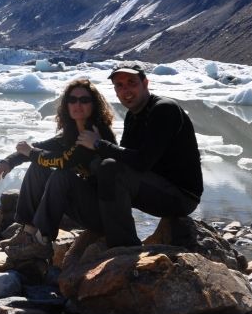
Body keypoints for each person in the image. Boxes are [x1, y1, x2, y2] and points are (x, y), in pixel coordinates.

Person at [76, 62, 203, 248]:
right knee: (99, 169)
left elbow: (142, 162)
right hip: (154, 187)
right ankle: (101, 228)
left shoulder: (164, 109)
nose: (126, 89)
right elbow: (125, 158)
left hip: (180, 197)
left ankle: (123, 247)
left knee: (110, 169)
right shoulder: (133, 115)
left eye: (131, 82)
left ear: (145, 83)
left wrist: (98, 143)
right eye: (119, 85)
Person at [0, 77, 117, 258]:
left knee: (62, 175)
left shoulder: (96, 134)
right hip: (83, 204)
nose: (78, 104)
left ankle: (42, 240)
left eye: (84, 100)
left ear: (94, 105)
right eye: (72, 100)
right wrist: (9, 161)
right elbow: (40, 147)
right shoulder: (71, 133)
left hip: (102, 212)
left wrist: (32, 153)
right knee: (38, 167)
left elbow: (64, 161)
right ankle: (28, 234)